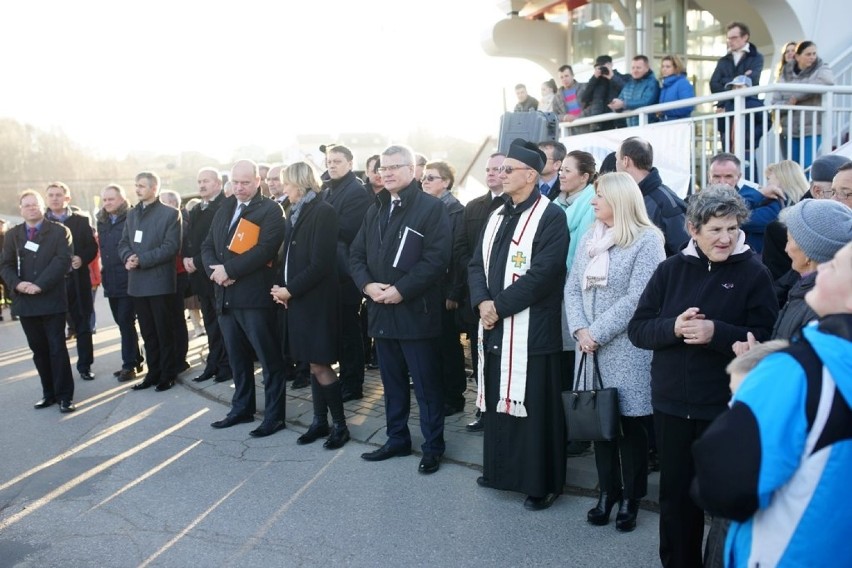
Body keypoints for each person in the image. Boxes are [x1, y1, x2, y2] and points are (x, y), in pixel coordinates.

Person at [628, 185, 778, 568]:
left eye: (732, 228)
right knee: (675, 500)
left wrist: (718, 334)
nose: (726, 238)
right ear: (693, 230)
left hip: (723, 406)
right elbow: (639, 329)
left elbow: (767, 337)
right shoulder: (670, 269)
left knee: (724, 501)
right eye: (715, 230)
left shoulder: (754, 272)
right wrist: (672, 328)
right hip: (671, 405)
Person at [692, 240, 852, 568]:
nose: (822, 268)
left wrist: (746, 390)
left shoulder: (800, 372)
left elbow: (721, 484)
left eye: (835, 265)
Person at [468, 138, 569, 510]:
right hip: (495, 325)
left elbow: (544, 274)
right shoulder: (497, 214)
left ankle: (540, 483)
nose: (501, 174)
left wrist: (498, 307)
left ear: (530, 175)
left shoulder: (550, 216)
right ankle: (500, 472)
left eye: (508, 169)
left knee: (534, 411)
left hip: (531, 332)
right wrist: (481, 301)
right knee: (497, 404)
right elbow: (475, 264)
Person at [566, 172, 666, 531]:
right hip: (588, 348)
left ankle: (631, 499)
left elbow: (638, 298)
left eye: (600, 196)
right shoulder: (591, 237)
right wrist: (580, 330)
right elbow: (572, 288)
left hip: (626, 349)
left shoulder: (647, 240)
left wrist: (596, 332)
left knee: (630, 429)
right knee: (599, 426)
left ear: (620, 201)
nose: (593, 202)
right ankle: (606, 493)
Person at [349, 144, 451, 474]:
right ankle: (397, 439)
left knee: (425, 385)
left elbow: (436, 259)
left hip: (415, 312)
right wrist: (367, 285)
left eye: (395, 166)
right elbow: (356, 256)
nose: (387, 173)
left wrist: (400, 290)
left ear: (412, 170)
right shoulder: (375, 209)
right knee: (390, 383)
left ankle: (433, 446)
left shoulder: (431, 208)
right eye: (383, 168)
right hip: (381, 311)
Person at [202, 160, 288, 437]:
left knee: (268, 358)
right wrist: (216, 272)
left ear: (257, 181)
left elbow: (265, 250)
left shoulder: (270, 210)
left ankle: (274, 416)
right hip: (225, 295)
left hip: (253, 299)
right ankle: (242, 408)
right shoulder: (226, 206)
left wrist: (229, 270)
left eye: (245, 182)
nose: (239, 187)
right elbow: (207, 245)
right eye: (236, 182)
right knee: (237, 359)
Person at [272, 161, 350, 449]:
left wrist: (290, 289)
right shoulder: (296, 211)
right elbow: (289, 257)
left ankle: (340, 426)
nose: (284, 189)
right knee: (312, 361)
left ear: (300, 183)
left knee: (320, 363)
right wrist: (281, 287)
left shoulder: (323, 212)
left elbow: (320, 263)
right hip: (299, 299)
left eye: (287, 184)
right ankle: (319, 422)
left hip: (317, 301)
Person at [734, 199, 852, 348]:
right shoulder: (802, 284)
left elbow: (806, 365)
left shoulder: (820, 304)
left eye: (789, 241)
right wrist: (761, 352)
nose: (786, 249)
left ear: (809, 251)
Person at [1, 191, 76, 412]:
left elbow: (62, 261)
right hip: (25, 302)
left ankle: (65, 396)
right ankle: (48, 393)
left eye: (35, 204)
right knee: (39, 350)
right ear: (20, 209)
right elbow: (4, 265)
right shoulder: (13, 235)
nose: (31, 208)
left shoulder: (60, 231)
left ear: (42, 207)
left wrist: (39, 284)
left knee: (57, 348)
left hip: (51, 300)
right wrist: (18, 284)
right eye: (27, 205)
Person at [118, 172, 182, 392]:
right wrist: (127, 257)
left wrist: (142, 259)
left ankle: (168, 373)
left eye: (142, 186)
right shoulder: (132, 214)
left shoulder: (170, 214)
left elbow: (171, 246)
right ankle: (152, 373)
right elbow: (124, 242)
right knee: (148, 332)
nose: (137, 189)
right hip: (137, 283)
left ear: (154, 188)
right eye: (136, 185)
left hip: (159, 282)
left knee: (164, 330)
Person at [321, 144, 372, 401]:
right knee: (339, 330)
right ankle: (345, 379)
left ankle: (353, 384)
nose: (331, 165)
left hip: (346, 272)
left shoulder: (357, 192)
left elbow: (347, 229)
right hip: (331, 273)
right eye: (329, 161)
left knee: (350, 331)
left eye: (337, 161)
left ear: (350, 163)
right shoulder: (329, 189)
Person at [460, 152, 506, 433]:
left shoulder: (517, 206)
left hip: (504, 296)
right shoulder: (474, 206)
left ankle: (503, 409)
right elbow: (462, 249)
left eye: (497, 169)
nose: (490, 174)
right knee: (480, 357)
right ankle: (483, 408)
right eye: (487, 170)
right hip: (477, 294)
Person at [421, 160, 467, 416]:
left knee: (449, 346)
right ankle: (437, 392)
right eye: (424, 177)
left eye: (431, 178)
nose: (425, 181)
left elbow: (457, 255)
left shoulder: (456, 211)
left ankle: (454, 397)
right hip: (426, 288)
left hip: (446, 288)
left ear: (446, 182)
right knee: (431, 345)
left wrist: (453, 292)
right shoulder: (425, 208)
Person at [45, 182, 98, 381]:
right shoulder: (41, 223)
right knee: (56, 329)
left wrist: (82, 258)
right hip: (53, 285)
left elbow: (92, 247)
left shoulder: (80, 221)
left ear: (67, 198)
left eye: (59, 195)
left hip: (77, 282)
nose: (55, 198)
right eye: (51, 195)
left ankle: (85, 366)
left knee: (83, 325)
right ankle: (58, 370)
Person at [184, 168, 232, 384]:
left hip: (215, 273)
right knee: (211, 323)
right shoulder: (195, 210)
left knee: (223, 326)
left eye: (206, 181)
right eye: (199, 181)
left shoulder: (225, 206)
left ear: (218, 184)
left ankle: (226, 366)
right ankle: (213, 364)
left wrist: (196, 261)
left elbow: (219, 242)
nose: (201, 185)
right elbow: (190, 239)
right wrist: (186, 257)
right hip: (200, 278)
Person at [96, 184, 143, 381]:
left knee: (125, 320)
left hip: (128, 278)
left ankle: (129, 365)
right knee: (122, 322)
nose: (107, 203)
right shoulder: (102, 221)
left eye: (111, 199)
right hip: (111, 280)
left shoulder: (132, 217)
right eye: (104, 199)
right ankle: (136, 358)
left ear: (122, 200)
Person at [615, 137, 688, 256]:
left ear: (625, 161)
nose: (615, 165)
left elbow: (685, 252)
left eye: (616, 159)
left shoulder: (666, 203)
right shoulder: (627, 197)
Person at [771, 41, 835, 169]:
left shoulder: (821, 67)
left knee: (807, 166)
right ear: (797, 56)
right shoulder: (785, 72)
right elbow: (775, 102)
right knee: (791, 168)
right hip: (788, 128)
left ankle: (806, 190)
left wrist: (796, 96)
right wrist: (789, 103)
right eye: (808, 54)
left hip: (811, 128)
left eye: (814, 54)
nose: (812, 57)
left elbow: (827, 81)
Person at [709, 152, 781, 253]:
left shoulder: (763, 198)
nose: (722, 181)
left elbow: (767, 222)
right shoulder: (698, 202)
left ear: (738, 177)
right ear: (709, 177)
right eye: (716, 176)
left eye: (728, 176)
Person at [554, 150, 597, 271]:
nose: (561, 175)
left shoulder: (595, 206)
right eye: (561, 170)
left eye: (567, 171)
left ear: (584, 177)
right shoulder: (554, 205)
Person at [710, 22, 764, 106]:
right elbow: (713, 84)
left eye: (734, 38)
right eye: (729, 38)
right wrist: (740, 81)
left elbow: (751, 81)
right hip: (725, 108)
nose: (730, 41)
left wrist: (725, 82)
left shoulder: (756, 57)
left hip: (748, 106)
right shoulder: (723, 60)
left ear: (745, 37)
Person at [608, 55, 660, 126]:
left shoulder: (652, 83)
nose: (635, 70)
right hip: (631, 127)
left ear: (647, 68)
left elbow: (646, 101)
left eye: (638, 68)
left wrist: (623, 104)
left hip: (649, 126)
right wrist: (616, 106)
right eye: (633, 68)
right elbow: (621, 99)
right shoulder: (629, 84)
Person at [581, 55, 626, 131]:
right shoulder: (595, 81)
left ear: (611, 65)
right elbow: (584, 98)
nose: (603, 68)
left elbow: (626, 90)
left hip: (617, 121)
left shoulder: (621, 77)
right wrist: (594, 78)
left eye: (605, 65)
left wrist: (612, 77)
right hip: (599, 123)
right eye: (600, 66)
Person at [657, 54, 695, 121]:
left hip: (679, 125)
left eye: (668, 67)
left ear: (676, 68)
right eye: (663, 66)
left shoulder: (683, 83)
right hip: (665, 124)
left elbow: (688, 106)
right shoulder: (665, 85)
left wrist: (664, 111)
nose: (664, 69)